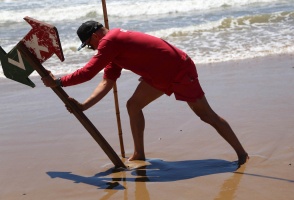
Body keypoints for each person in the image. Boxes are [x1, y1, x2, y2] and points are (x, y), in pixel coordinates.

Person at [42, 21, 248, 166]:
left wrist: (58, 82)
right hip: (158, 74)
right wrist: (84, 106)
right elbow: (107, 82)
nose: (92, 49)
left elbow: (88, 72)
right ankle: (139, 154)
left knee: (206, 115)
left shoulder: (110, 41)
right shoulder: (112, 47)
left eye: (89, 46)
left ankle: (242, 154)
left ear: (95, 36)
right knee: (133, 105)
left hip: (178, 68)